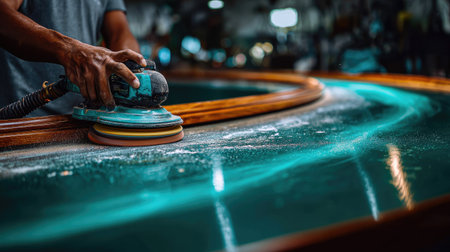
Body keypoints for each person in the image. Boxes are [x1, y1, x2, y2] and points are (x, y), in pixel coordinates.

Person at [0, 0, 146, 116]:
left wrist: (130, 68)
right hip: (22, 119)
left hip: (79, 119)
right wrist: (69, 51)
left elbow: (119, 31)